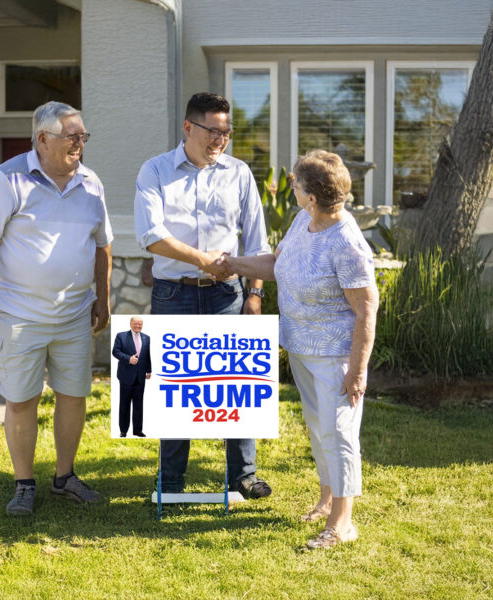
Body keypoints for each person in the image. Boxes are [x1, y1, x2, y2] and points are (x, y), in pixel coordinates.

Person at [0, 101, 113, 516]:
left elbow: (103, 245)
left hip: (74, 314)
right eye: (72, 137)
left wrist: (104, 297)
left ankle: (64, 477)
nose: (80, 144)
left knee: (74, 395)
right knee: (21, 401)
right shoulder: (7, 179)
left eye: (83, 137)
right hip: (19, 315)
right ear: (43, 140)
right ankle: (24, 483)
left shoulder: (91, 183)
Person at [218, 150, 378, 548]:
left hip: (336, 357)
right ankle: (327, 499)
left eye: (297, 182)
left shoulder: (346, 242)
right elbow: (277, 265)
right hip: (302, 349)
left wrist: (357, 372)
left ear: (311, 195)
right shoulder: (303, 222)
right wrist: (232, 264)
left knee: (339, 433)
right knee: (319, 429)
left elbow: (366, 310)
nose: (291, 184)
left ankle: (343, 522)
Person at [134, 91, 272, 499]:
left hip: (227, 295)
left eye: (226, 133)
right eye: (213, 131)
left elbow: (257, 239)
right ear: (188, 127)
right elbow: (152, 235)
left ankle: (243, 475)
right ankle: (171, 480)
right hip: (172, 295)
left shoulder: (239, 173)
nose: (220, 140)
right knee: (177, 388)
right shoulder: (155, 170)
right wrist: (201, 259)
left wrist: (255, 294)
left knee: (237, 386)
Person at [112, 317, 152, 437]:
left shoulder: (146, 337)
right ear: (130, 324)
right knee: (124, 404)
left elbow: (147, 355)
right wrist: (128, 359)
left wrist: (149, 370)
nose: (138, 326)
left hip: (140, 376)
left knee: (139, 405)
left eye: (140, 324)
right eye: (135, 324)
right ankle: (123, 430)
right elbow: (115, 351)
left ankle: (137, 430)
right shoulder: (121, 336)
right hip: (126, 376)